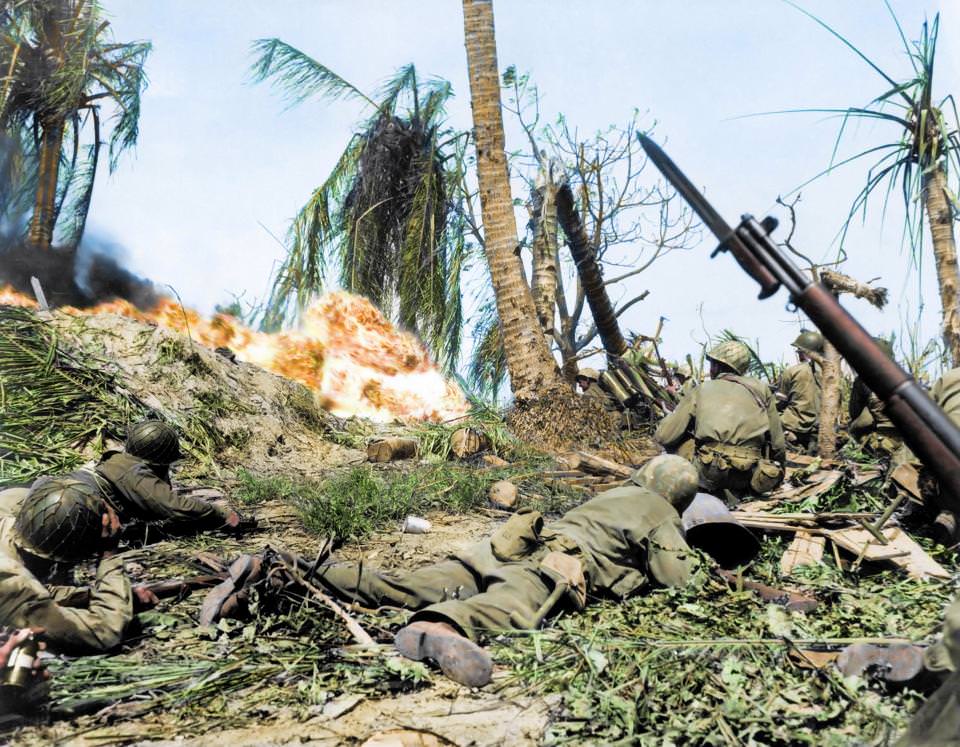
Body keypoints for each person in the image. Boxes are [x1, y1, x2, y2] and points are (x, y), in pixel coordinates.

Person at [203, 455, 701, 688]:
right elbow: (679, 579)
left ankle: (290, 566)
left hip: (499, 547)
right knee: (508, 606)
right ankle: (437, 628)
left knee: (401, 585)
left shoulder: (615, 493)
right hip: (546, 567)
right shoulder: (659, 512)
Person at [0, 476, 157, 654]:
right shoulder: (9, 579)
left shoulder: (12, 503)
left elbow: (39, 590)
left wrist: (91, 595)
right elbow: (104, 630)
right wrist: (109, 556)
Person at [0, 420, 244, 531]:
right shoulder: (137, 474)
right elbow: (176, 507)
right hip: (54, 509)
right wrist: (219, 513)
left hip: (33, 494)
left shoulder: (120, 461)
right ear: (160, 462)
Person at [655, 340, 785, 502]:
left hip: (709, 472)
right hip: (750, 475)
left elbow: (664, 437)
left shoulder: (701, 389)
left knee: (679, 439)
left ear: (716, 366)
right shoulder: (761, 389)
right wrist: (778, 472)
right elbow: (777, 444)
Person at [848, 338, 905, 459]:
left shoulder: (863, 380)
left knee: (855, 428)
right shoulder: (907, 379)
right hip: (913, 443)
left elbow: (854, 413)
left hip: (885, 441)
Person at [779, 330, 823, 453]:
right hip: (820, 428)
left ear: (804, 352)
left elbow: (779, 402)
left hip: (794, 427)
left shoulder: (792, 372)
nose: (798, 354)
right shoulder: (830, 374)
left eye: (799, 351)